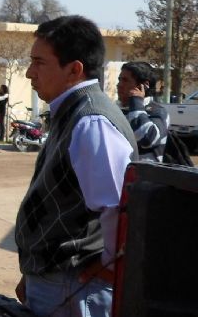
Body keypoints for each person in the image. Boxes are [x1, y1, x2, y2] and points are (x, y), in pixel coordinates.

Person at [14, 16, 137, 317]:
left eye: (39, 62)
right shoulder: (73, 111)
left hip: (76, 286)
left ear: (74, 70)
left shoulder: (91, 121)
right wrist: (33, 271)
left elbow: (117, 209)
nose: (30, 73)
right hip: (59, 280)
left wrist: (106, 268)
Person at [117, 61, 169, 162]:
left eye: (125, 80)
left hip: (145, 175)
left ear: (144, 86)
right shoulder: (117, 110)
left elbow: (147, 138)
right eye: (119, 80)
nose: (119, 85)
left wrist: (136, 103)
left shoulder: (158, 111)